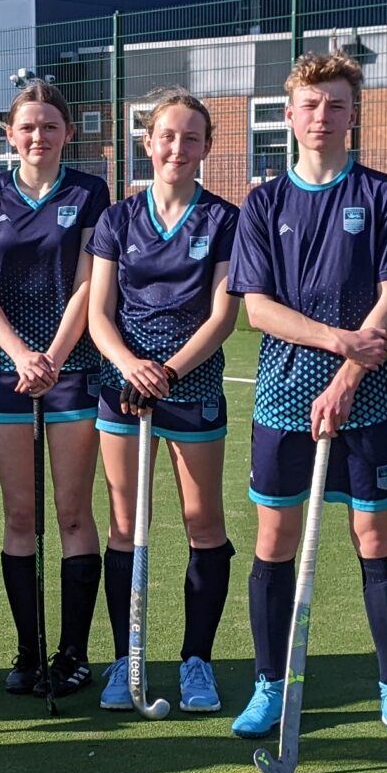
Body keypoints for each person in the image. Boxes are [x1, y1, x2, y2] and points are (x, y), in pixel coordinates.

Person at [228, 53, 387, 743]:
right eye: (310, 105)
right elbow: (257, 309)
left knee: (373, 536)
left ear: (353, 114)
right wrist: (339, 341)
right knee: (274, 539)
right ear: (289, 115)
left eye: (335, 104)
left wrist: (346, 378)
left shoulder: (383, 194)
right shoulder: (263, 203)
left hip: (363, 400)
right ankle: (268, 683)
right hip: (283, 398)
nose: (322, 116)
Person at [85, 88, 240, 714]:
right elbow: (99, 314)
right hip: (123, 389)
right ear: (147, 143)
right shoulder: (117, 219)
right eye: (167, 136)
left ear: (207, 147)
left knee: (204, 525)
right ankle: (127, 658)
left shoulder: (224, 219)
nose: (178, 147)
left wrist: (169, 372)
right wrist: (131, 367)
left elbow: (223, 316)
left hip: (191, 386)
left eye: (191, 137)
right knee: (126, 526)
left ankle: (197, 661)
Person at [0, 77, 112, 696]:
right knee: (20, 514)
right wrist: (20, 354)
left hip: (71, 371)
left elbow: (88, 284)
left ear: (67, 133)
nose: (38, 136)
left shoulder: (89, 191)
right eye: (27, 126)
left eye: (50, 126)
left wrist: (51, 356)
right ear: (10, 134)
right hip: (9, 374)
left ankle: (72, 652)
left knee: (73, 513)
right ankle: (29, 651)